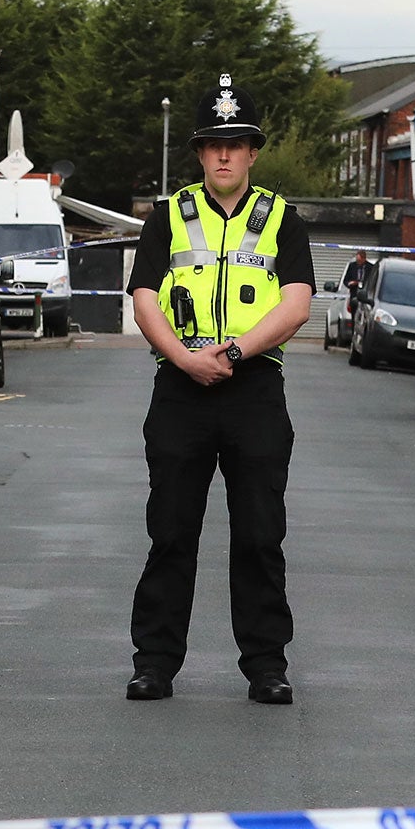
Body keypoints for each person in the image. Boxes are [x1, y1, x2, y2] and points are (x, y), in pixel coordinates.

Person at [124, 74, 316, 705]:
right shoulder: (168, 216)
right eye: (213, 144)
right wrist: (184, 358)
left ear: (254, 151)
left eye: (237, 143)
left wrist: (232, 352)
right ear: (201, 153)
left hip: (254, 388)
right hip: (181, 391)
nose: (225, 154)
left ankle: (267, 665)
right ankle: (154, 663)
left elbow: (297, 304)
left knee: (260, 533)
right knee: (171, 532)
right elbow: (145, 299)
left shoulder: (283, 219)